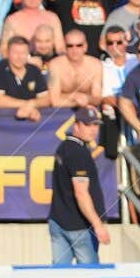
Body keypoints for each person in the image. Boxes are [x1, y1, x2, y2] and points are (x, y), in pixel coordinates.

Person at [48, 106, 111, 264]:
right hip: (79, 227)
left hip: (58, 221)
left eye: (96, 125)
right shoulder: (78, 153)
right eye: (88, 125)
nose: (93, 130)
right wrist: (98, 225)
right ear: (76, 125)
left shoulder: (63, 147)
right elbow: (81, 193)